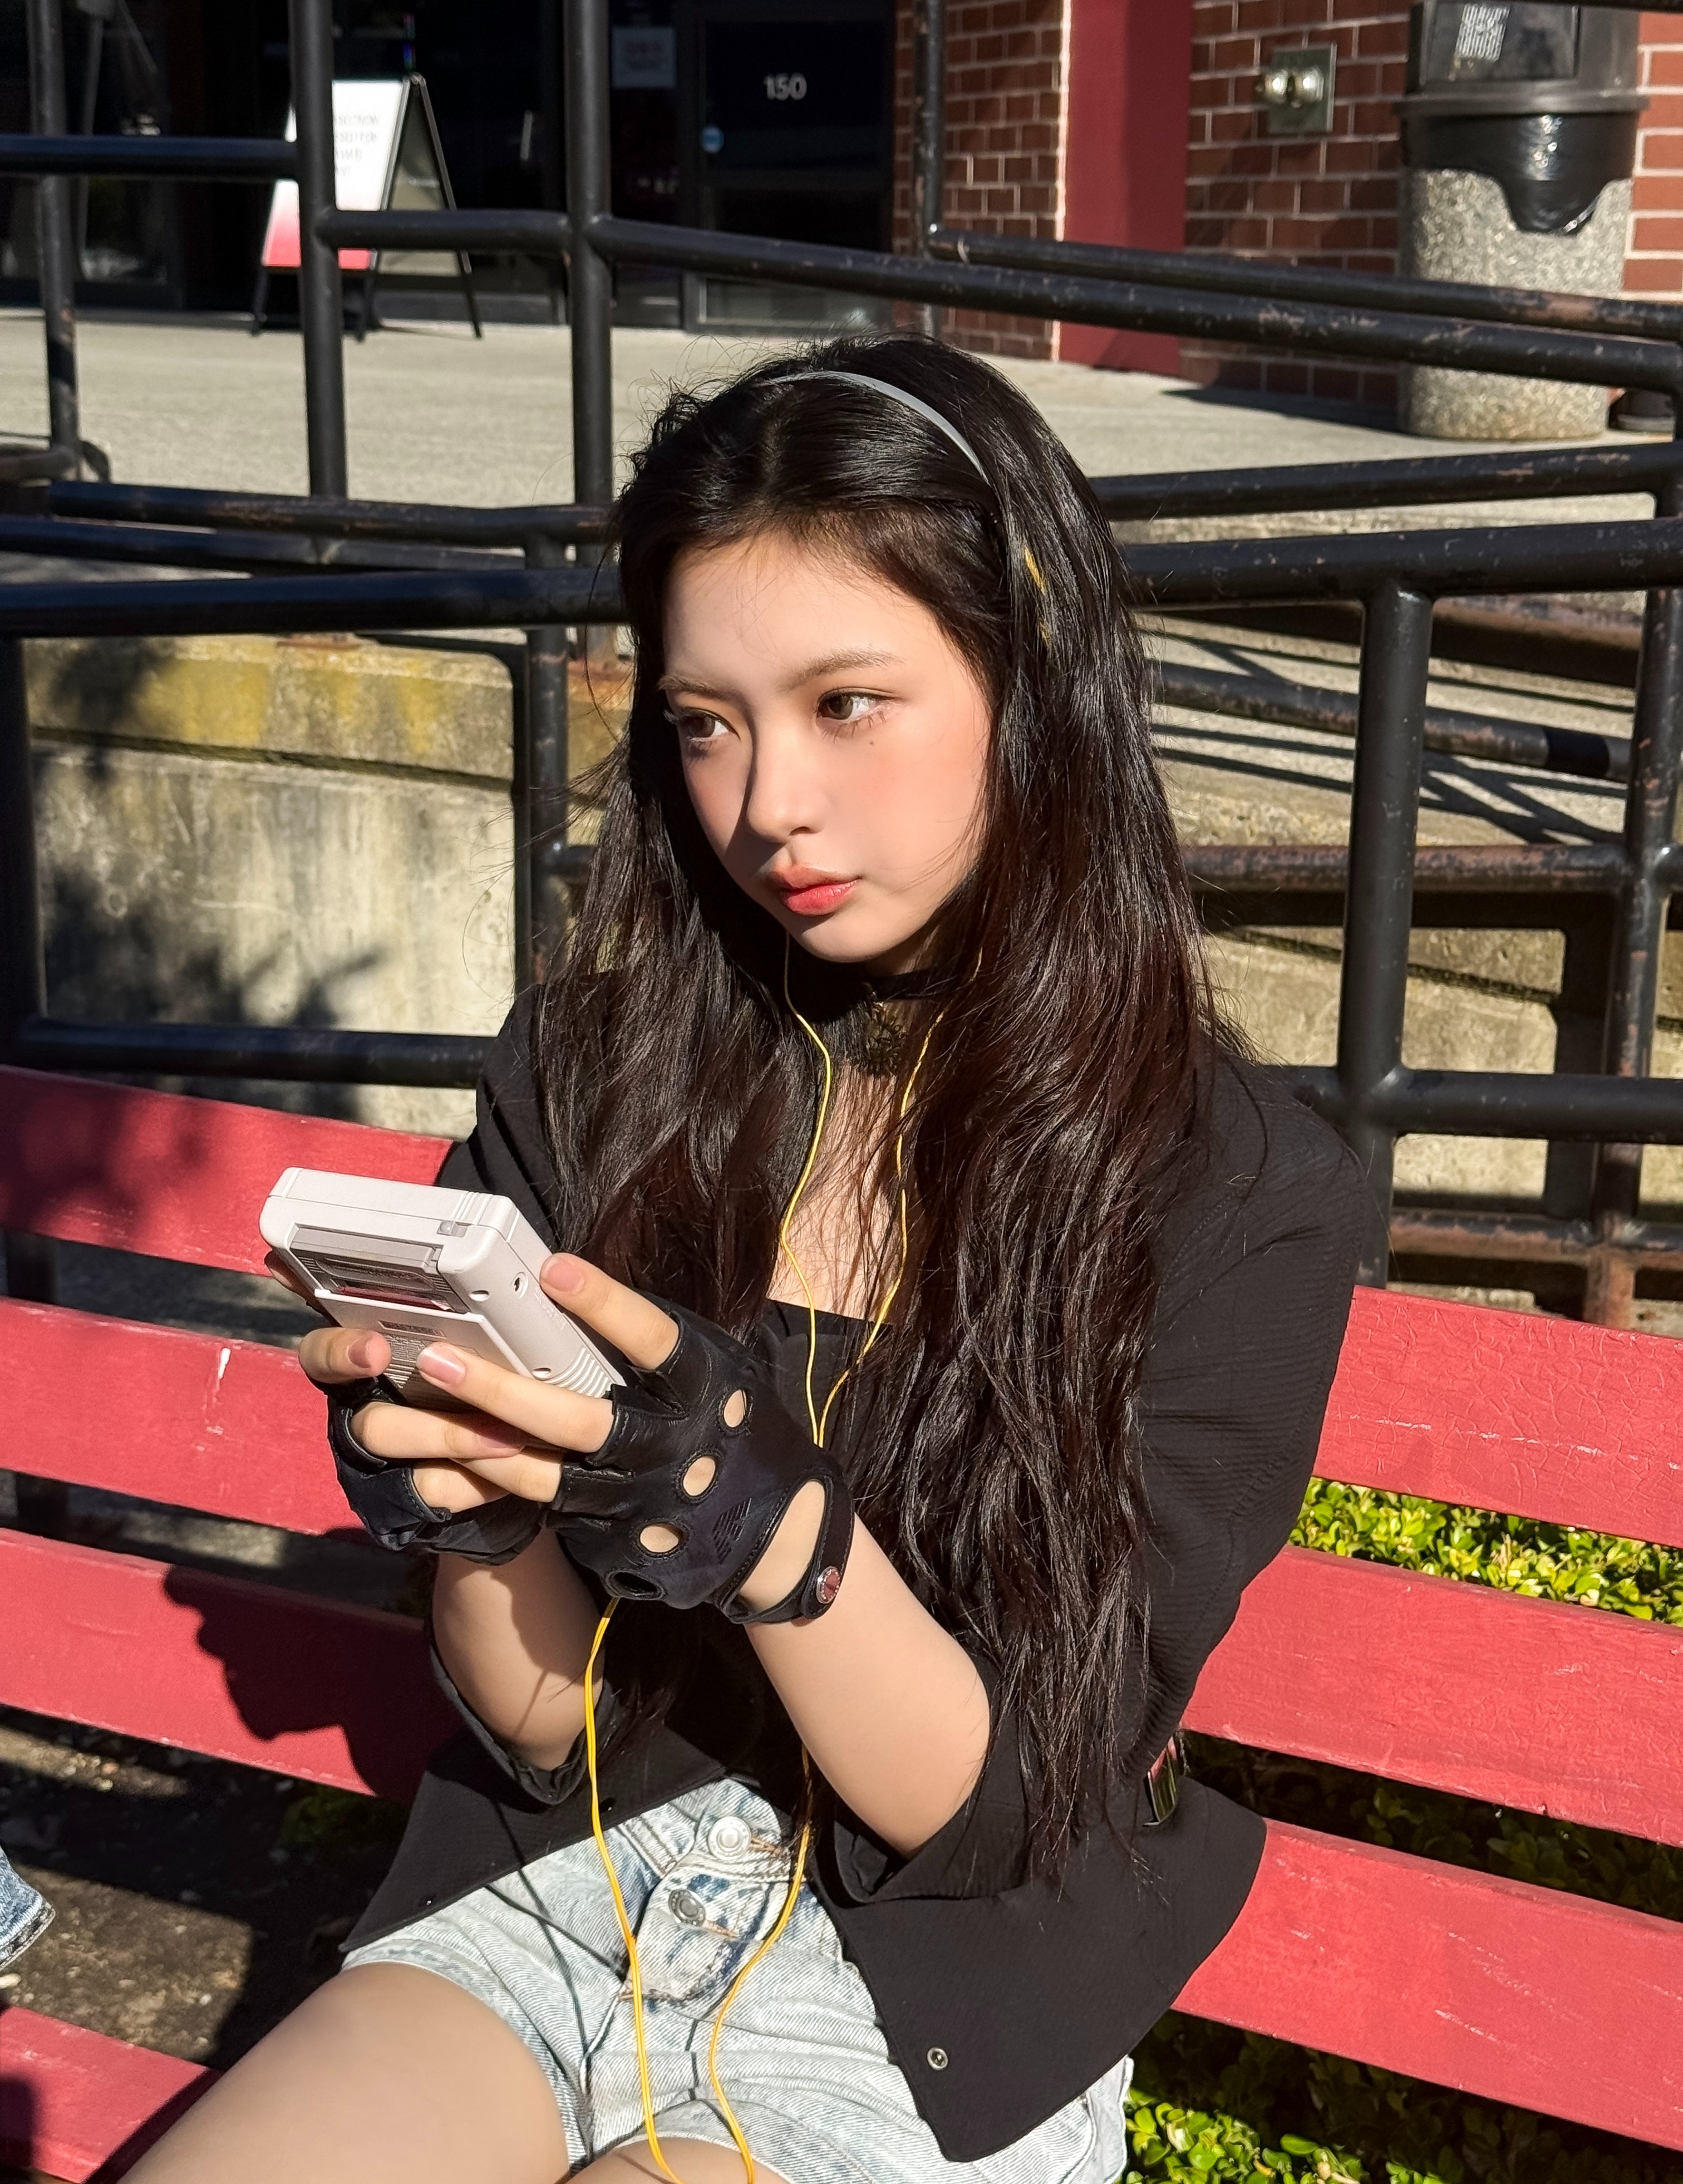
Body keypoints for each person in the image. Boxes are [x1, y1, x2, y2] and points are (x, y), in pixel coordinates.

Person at [131, 333, 1365, 2184]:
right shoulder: (603, 1073)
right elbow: (545, 1721)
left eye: (847, 702)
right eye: (706, 721)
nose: (769, 800)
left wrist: (769, 1530)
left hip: (927, 1992)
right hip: (560, 1899)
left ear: (1034, 684)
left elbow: (989, 1818)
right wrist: (474, 1510)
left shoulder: (1232, 1189)